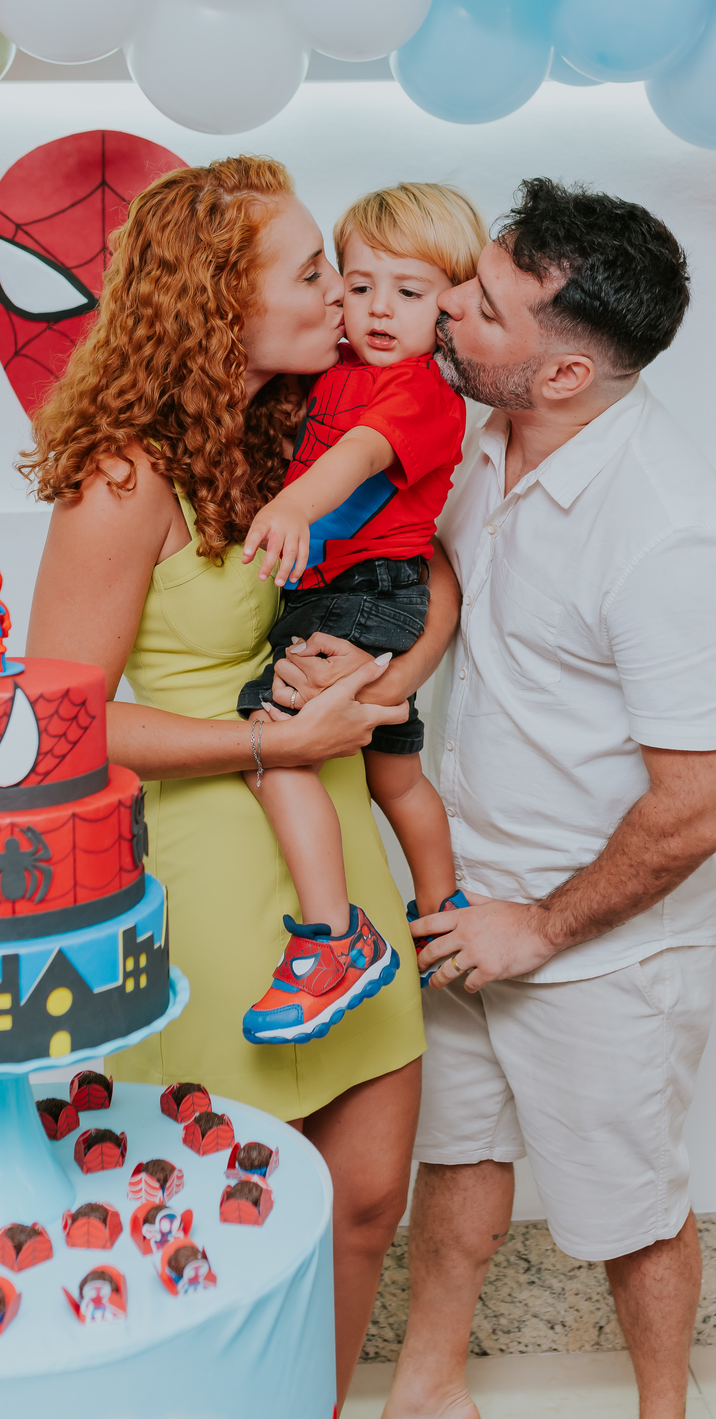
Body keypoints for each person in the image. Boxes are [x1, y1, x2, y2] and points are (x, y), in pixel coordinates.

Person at [279, 180, 716, 1419]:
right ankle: (429, 1390)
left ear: (562, 374)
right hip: (460, 903)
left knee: (630, 1213)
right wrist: (374, 670)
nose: (447, 306)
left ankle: (670, 1408)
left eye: (483, 304)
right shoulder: (482, 430)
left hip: (598, 943)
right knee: (457, 1167)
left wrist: (541, 927)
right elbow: (439, 583)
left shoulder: (673, 535)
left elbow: (708, 804)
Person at [21, 155, 456, 1408]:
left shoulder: (302, 429)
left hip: (334, 837)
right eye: (313, 270)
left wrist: (377, 686)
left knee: (368, 1196)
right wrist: (280, 743)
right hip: (208, 867)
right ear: (221, 300)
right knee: (214, 1219)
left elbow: (433, 577)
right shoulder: (124, 476)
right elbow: (66, 725)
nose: (344, 295)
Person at [235, 186, 487, 1047]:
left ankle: (331, 937)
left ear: (448, 311)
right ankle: (439, 904)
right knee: (393, 776)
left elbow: (359, 454)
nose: (379, 309)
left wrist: (294, 508)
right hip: (354, 589)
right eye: (359, 282)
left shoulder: (420, 392)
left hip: (371, 592)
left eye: (410, 294)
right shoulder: (340, 364)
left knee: (274, 740)